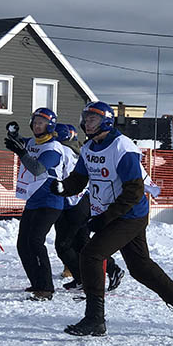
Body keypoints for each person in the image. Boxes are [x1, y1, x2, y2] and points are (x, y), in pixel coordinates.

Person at [53, 101, 173, 337]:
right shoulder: (91, 147)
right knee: (140, 268)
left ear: (106, 121)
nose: (87, 122)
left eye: (92, 118)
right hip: (112, 213)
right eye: (86, 118)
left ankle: (95, 319)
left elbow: (134, 192)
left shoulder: (122, 147)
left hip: (129, 214)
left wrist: (105, 219)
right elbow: (79, 179)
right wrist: (62, 188)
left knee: (91, 254)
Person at [52, 123, 125, 294]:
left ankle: (82, 278)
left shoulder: (65, 152)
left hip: (74, 203)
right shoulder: (81, 151)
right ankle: (111, 269)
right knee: (83, 244)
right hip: (83, 201)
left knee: (64, 245)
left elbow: (68, 179)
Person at [5, 107, 65, 301]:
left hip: (50, 201)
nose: (37, 126)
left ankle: (46, 287)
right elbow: (23, 145)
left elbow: (38, 169)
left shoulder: (53, 148)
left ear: (50, 126)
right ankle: (37, 282)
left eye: (41, 123)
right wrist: (14, 134)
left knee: (35, 241)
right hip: (33, 200)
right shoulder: (33, 142)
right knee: (23, 244)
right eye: (35, 122)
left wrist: (21, 153)